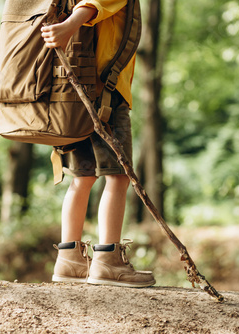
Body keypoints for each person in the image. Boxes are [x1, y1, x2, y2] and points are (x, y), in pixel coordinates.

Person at [41, 0, 155, 287]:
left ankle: (68, 259)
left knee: (82, 178)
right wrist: (69, 26)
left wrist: (69, 25)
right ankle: (108, 259)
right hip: (108, 93)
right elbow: (96, 4)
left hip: (73, 89)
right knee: (117, 178)